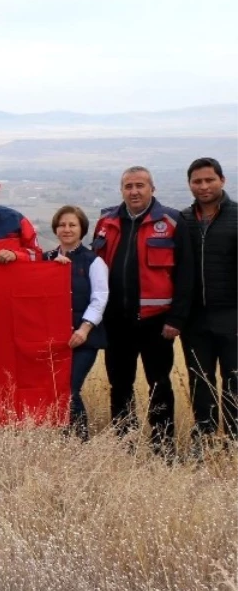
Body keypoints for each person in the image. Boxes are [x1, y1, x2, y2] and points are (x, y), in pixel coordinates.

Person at [92, 166, 182, 453]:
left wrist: (177, 317)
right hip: (116, 321)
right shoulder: (106, 221)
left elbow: (185, 275)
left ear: (152, 189)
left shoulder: (171, 222)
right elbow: (94, 267)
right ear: (121, 190)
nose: (134, 191)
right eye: (128, 186)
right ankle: (124, 444)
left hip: (156, 323)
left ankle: (163, 448)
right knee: (119, 384)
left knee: (159, 385)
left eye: (140, 185)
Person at [172, 158, 238, 450]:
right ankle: (205, 441)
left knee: (235, 382)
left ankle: (234, 444)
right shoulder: (183, 220)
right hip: (195, 319)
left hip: (233, 315)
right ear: (190, 185)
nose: (203, 186)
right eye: (197, 181)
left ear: (222, 180)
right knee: (200, 380)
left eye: (209, 180)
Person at [44, 206, 108, 439]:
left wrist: (84, 329)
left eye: (72, 224)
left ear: (82, 229)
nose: (66, 229)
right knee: (51, 389)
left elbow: (99, 298)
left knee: (69, 389)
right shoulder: (46, 259)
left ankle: (80, 439)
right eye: (62, 224)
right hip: (52, 338)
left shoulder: (94, 261)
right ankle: (59, 436)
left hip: (82, 338)